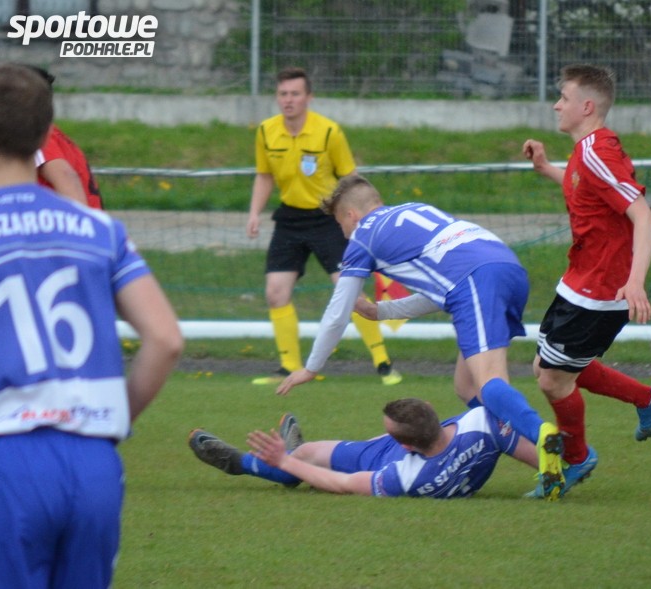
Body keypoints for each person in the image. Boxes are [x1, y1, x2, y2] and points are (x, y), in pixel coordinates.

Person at [0, 63, 184, 588]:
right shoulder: (100, 229)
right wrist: (112, 421)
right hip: (93, 460)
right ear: (44, 133)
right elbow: (165, 339)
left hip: (5, 456)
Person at [273, 174, 566, 498]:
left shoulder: (362, 236)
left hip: (477, 280)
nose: (342, 233)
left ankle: (543, 436)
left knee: (489, 382)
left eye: (339, 224)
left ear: (351, 215)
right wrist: (382, 311)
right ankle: (558, 462)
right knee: (467, 387)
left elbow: (337, 313)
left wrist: (311, 367)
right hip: (506, 267)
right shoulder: (413, 210)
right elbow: (443, 290)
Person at [521, 64, 651, 497]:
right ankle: (647, 398)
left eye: (564, 98)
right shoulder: (588, 150)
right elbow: (582, 185)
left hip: (602, 291)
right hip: (579, 281)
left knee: (552, 378)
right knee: (551, 367)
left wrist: (635, 281)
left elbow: (643, 215)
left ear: (586, 106)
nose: (557, 105)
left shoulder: (596, 152)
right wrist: (545, 167)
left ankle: (577, 458)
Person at [246, 66, 401, 386]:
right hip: (290, 219)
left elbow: (350, 178)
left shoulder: (329, 132)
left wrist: (363, 217)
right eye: (283, 94)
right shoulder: (266, 131)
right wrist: (253, 213)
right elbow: (264, 176)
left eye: (295, 94)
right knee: (275, 292)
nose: (288, 100)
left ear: (309, 97)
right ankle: (288, 367)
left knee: (349, 290)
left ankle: (383, 363)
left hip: (328, 219)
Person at [189, 398, 559, 499]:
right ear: (432, 411)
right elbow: (532, 452)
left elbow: (342, 484)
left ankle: (245, 463)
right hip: (414, 450)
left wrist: (284, 460)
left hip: (374, 459)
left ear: (405, 444)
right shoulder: (481, 424)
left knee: (303, 459)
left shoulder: (405, 477)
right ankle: (291, 456)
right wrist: (553, 474)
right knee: (306, 456)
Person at [26, 65, 104, 209]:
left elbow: (66, 177)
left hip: (72, 220)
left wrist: (82, 219)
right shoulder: (52, 133)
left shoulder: (36, 135)